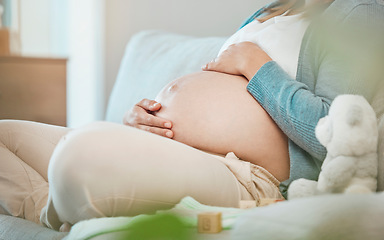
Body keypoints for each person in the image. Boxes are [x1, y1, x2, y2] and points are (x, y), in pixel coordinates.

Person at [0, 0, 383, 232]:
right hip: (164, 150)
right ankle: (66, 212)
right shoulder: (272, 10)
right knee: (4, 137)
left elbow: (334, 133)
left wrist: (256, 63)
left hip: (244, 176)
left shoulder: (359, 10)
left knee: (78, 159)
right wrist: (138, 118)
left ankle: (68, 207)